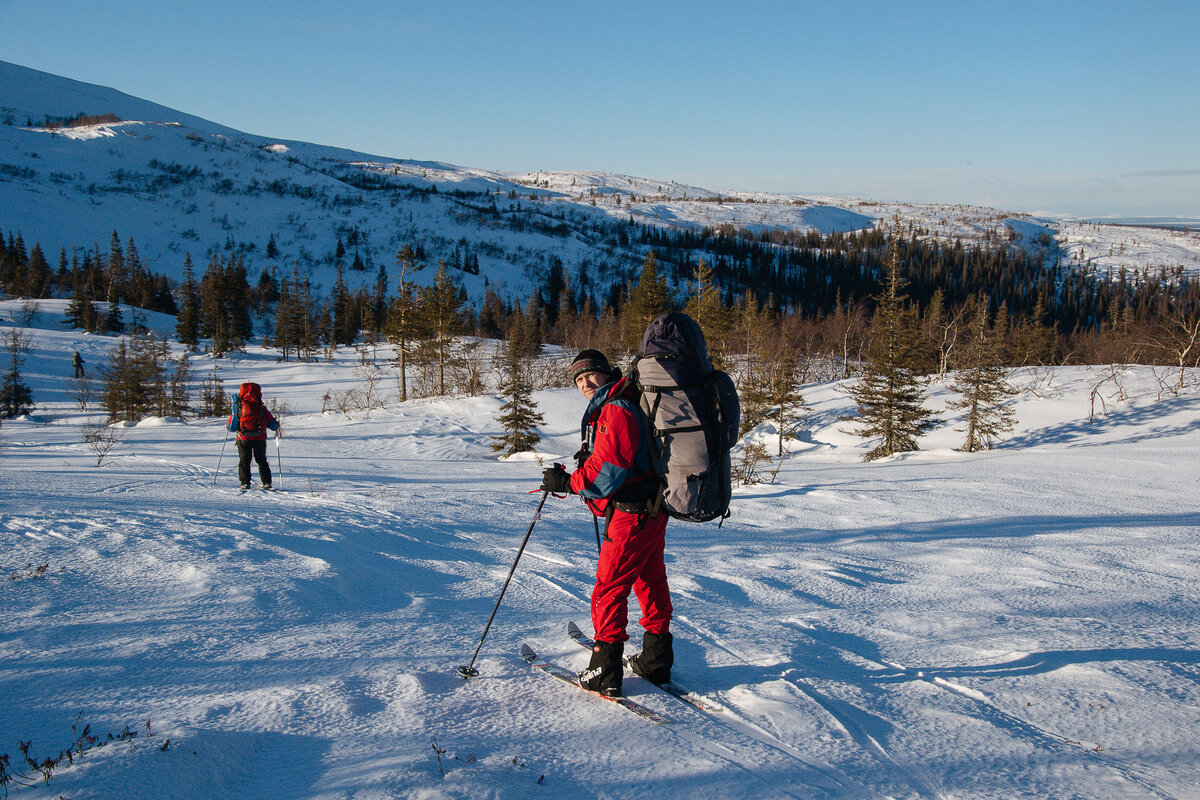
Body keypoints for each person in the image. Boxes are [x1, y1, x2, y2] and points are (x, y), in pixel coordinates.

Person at [540, 349, 673, 697]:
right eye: (579, 380)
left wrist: (569, 483)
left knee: (609, 588)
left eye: (590, 375)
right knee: (650, 580)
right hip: (653, 509)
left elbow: (609, 471)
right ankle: (656, 659)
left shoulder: (616, 408)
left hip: (631, 514)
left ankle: (605, 669)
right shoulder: (627, 400)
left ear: (605, 372)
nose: (585, 383)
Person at [227, 382, 279, 490]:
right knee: (261, 460)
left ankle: (245, 483)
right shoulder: (261, 408)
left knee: (244, 460)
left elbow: (231, 426)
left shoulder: (239, 407)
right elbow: (273, 426)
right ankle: (267, 483)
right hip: (260, 438)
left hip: (243, 438)